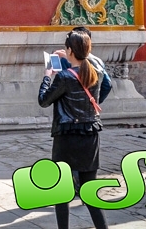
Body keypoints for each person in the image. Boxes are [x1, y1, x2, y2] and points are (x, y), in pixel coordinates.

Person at [38, 31, 107, 229]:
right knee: (90, 192)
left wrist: (47, 76)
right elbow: (87, 63)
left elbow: (43, 100)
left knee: (62, 192)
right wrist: (73, 54)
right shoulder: (96, 72)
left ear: (69, 50)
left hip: (67, 138)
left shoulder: (64, 77)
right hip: (90, 136)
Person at [70, 26, 113, 103]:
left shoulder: (67, 60)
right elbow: (107, 84)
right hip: (90, 106)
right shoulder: (97, 61)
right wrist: (94, 101)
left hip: (70, 107)